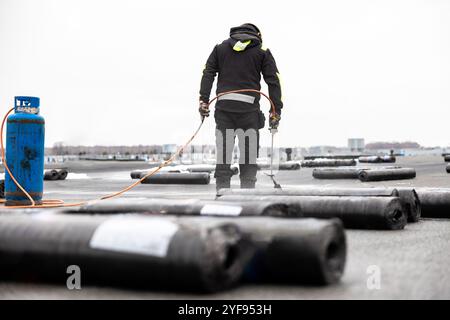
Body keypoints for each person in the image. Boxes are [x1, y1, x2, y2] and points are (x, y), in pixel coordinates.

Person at [199, 23, 283, 191]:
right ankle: (248, 197)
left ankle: (221, 196)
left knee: (223, 156)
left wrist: (204, 100)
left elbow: (208, 72)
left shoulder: (220, 48)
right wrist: (275, 112)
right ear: (257, 35)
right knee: (248, 157)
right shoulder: (262, 51)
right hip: (249, 113)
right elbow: (274, 81)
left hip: (224, 111)